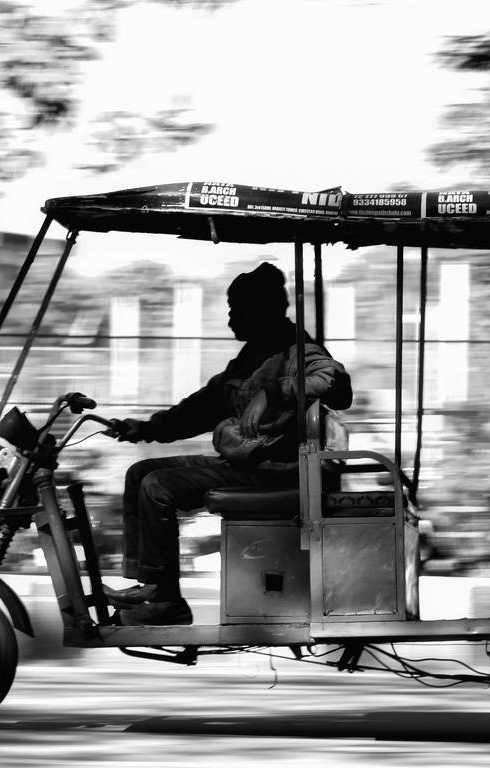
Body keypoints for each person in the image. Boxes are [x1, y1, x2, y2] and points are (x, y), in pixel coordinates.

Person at [103, 262, 353, 625]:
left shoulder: (296, 350)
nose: (231, 319)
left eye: (237, 309)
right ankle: (149, 584)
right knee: (140, 472)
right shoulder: (251, 357)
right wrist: (143, 429)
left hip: (275, 471)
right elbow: (200, 409)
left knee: (158, 486)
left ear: (262, 309)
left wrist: (274, 393)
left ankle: (166, 602)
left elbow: (336, 383)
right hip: (243, 465)